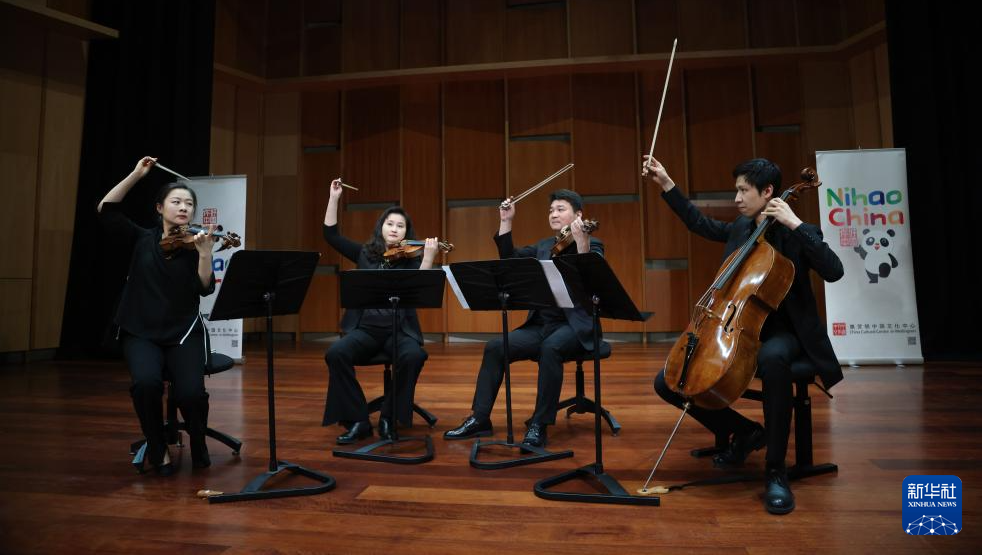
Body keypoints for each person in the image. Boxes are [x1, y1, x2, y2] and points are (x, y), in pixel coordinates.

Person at [642, 156, 844, 514]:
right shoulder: (742, 227)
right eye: (736, 190)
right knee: (668, 381)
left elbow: (834, 270)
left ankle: (775, 470)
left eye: (743, 191)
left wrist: (795, 223)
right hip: (734, 327)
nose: (736, 198)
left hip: (784, 332)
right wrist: (666, 183)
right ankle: (747, 432)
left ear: (768, 192)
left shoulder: (799, 231)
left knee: (773, 360)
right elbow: (699, 223)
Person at [443, 189, 604, 448]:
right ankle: (480, 418)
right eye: (551, 210)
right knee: (495, 347)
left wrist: (581, 241)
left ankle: (539, 423)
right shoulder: (544, 246)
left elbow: (593, 279)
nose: (553, 214)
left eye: (560, 209)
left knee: (551, 348)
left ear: (578, 215)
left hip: (574, 326)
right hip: (541, 324)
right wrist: (506, 221)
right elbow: (510, 260)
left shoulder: (593, 244)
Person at [98, 156, 217, 475]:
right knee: (146, 384)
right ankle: (157, 445)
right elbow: (107, 209)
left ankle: (198, 440)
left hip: (183, 331)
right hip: (141, 331)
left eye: (189, 204)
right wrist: (136, 174)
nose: (184, 208)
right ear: (159, 208)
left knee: (191, 394)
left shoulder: (195, 245)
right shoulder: (141, 239)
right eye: (176, 202)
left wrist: (205, 255)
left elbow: (204, 288)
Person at [321, 178, 439, 444]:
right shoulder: (365, 254)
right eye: (390, 223)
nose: (394, 229)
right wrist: (334, 198)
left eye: (400, 225)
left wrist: (429, 257)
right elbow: (331, 236)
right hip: (366, 330)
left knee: (415, 355)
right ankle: (359, 420)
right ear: (381, 227)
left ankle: (389, 416)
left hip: (400, 331)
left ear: (406, 232)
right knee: (336, 353)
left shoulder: (412, 259)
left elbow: (422, 291)